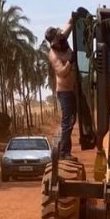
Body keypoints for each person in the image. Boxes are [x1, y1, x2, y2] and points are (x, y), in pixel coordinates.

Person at [45, 20, 77, 159]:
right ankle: (64, 151)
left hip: (73, 89)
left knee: (72, 119)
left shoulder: (62, 38)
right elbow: (62, 73)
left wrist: (75, 16)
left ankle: (65, 150)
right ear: (53, 42)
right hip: (64, 92)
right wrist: (70, 61)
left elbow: (69, 24)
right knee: (68, 120)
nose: (61, 40)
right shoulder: (53, 55)